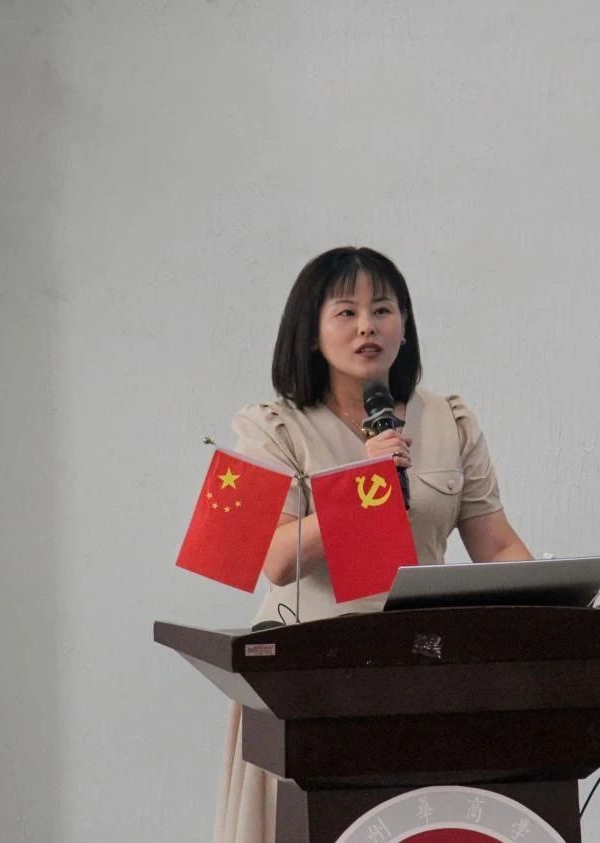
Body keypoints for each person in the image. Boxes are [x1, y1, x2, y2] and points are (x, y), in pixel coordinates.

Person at [213, 246, 532, 843]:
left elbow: (495, 544)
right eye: (347, 312)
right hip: (305, 680)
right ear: (311, 333)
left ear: (404, 327)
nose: (368, 326)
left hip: (423, 672)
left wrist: (552, 611)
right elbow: (275, 561)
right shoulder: (272, 426)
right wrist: (362, 486)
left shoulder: (450, 420)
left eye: (383, 310)